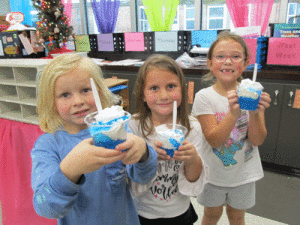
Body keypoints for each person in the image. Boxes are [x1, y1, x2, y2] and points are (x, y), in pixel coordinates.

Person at [31, 54, 157, 225]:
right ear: (51, 102)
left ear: (99, 91)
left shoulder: (117, 128)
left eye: (85, 90)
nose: (78, 101)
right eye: (65, 95)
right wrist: (70, 169)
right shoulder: (48, 146)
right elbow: (45, 207)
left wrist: (143, 152)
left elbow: (144, 177)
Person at [192, 31, 271, 225]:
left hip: (244, 175)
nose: (228, 62)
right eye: (220, 56)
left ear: (245, 64)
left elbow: (257, 140)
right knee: (211, 215)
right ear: (210, 63)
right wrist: (233, 114)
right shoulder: (204, 97)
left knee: (237, 217)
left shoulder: (254, 93)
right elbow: (214, 140)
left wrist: (253, 111)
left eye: (235, 56)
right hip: (213, 175)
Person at [128, 54, 204, 225]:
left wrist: (192, 159)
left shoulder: (192, 127)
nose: (164, 95)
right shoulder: (133, 126)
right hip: (142, 212)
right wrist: (147, 156)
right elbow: (129, 176)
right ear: (143, 95)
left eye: (171, 86)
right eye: (154, 88)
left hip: (179, 212)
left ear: (182, 90)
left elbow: (193, 180)